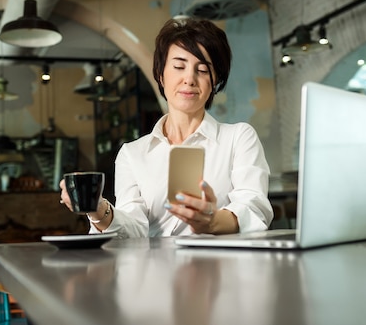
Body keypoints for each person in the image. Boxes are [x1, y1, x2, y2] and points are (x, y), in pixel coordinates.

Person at [59, 17, 273, 237]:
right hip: (155, 269)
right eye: (179, 66)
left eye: (202, 70)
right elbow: (133, 229)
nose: (189, 79)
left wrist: (212, 222)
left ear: (215, 80)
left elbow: (254, 209)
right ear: (161, 75)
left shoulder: (238, 138)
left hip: (222, 267)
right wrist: (98, 209)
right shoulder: (132, 154)